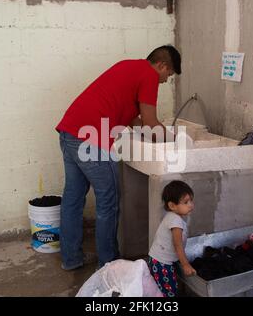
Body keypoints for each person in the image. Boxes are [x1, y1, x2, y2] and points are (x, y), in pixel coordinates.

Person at [55, 45, 182, 270]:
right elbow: (151, 123)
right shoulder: (149, 75)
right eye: (168, 75)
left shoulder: (128, 67)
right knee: (109, 201)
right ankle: (109, 264)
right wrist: (176, 143)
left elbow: (133, 119)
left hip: (70, 132)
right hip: (91, 139)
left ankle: (71, 259)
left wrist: (150, 129)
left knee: (73, 199)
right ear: (162, 66)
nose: (165, 80)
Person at [148, 180, 196, 297]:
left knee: (165, 288)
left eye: (191, 200)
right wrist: (185, 264)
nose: (191, 204)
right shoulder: (175, 221)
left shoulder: (173, 217)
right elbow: (177, 245)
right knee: (169, 291)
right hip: (161, 263)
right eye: (186, 202)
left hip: (159, 260)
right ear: (172, 206)